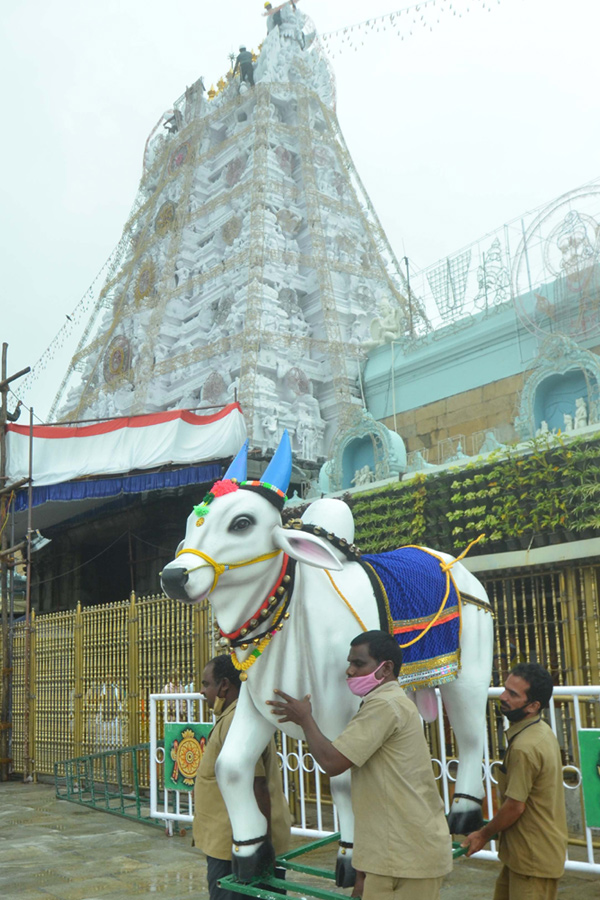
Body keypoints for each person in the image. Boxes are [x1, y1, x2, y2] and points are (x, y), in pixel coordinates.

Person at [267, 630, 452, 900]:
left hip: (407, 856)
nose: (350, 671)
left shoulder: (386, 704)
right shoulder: (380, 703)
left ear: (385, 668)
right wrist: (363, 870)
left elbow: (332, 762)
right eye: (349, 663)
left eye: (358, 663)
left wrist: (305, 719)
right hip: (389, 853)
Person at [462, 663, 568, 900]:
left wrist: (482, 834)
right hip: (522, 857)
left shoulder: (525, 747)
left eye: (513, 694)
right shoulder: (536, 731)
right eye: (505, 689)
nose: (502, 697)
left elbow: (515, 806)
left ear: (533, 706)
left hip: (533, 860)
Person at [193, 656, 291, 900]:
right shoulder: (233, 717)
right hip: (232, 842)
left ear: (224, 686)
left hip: (240, 845)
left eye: (206, 684)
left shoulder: (240, 720)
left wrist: (261, 847)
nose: (202, 691)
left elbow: (256, 785)